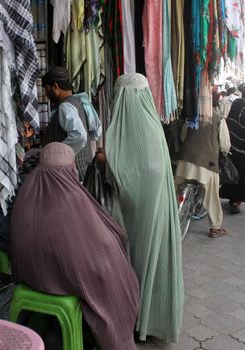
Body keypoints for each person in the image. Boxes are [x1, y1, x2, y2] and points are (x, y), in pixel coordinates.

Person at [10, 143, 140, 350]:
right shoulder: (70, 196)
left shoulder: (26, 191)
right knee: (118, 275)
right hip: (59, 278)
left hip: (29, 275)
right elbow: (94, 248)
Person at [105, 73, 183, 343]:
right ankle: (148, 321)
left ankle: (138, 320)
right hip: (155, 213)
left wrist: (107, 162)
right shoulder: (153, 127)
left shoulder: (124, 132)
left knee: (137, 263)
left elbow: (126, 175)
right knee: (153, 263)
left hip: (136, 217)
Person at [176, 91, 231, 237]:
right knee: (212, 195)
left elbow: (183, 136)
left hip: (185, 159)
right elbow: (225, 145)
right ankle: (215, 227)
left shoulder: (192, 116)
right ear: (215, 103)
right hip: (207, 163)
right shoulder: (219, 119)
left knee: (176, 190)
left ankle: (170, 217)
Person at [42, 66, 101, 180]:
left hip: (70, 174)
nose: (45, 94)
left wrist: (57, 154)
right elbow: (96, 132)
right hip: (80, 171)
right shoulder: (79, 101)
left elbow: (80, 136)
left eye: (47, 89)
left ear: (55, 86)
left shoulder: (65, 107)